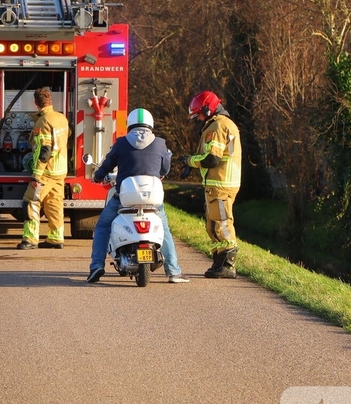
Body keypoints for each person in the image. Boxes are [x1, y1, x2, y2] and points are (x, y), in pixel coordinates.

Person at [85, 109, 188, 284]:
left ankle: (96, 266)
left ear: (130, 124)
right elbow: (165, 169)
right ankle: (173, 272)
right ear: (151, 124)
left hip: (125, 197)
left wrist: (97, 176)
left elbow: (107, 165)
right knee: (165, 230)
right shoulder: (160, 144)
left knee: (103, 226)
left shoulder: (121, 143)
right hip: (153, 200)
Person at [187, 90, 243, 278]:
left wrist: (189, 161)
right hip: (220, 183)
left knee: (221, 223)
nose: (198, 118)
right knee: (213, 223)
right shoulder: (223, 124)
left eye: (199, 114)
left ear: (207, 109)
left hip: (220, 183)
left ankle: (228, 265)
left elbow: (212, 159)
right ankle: (220, 261)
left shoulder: (217, 127)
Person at [17, 87, 69, 250]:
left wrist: (36, 175)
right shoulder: (61, 118)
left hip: (46, 172)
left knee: (31, 201)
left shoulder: (43, 122)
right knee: (54, 203)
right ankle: (56, 238)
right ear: (50, 101)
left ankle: (30, 240)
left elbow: (44, 150)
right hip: (60, 171)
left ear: (35, 103)